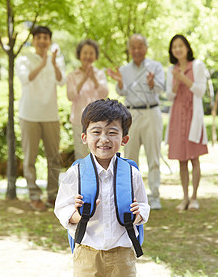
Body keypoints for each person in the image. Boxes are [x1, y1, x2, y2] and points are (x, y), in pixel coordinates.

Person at [54, 99, 150, 277]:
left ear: (124, 139)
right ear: (85, 137)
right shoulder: (76, 173)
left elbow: (144, 205)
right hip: (87, 253)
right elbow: (61, 208)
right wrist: (76, 214)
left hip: (123, 254)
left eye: (112, 132)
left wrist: (138, 214)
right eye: (96, 132)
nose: (104, 139)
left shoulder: (131, 173)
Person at [107, 34, 164, 210]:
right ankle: (131, 197)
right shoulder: (124, 69)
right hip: (131, 114)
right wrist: (120, 82)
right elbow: (121, 92)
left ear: (146, 48)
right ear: (129, 49)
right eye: (133, 47)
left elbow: (162, 89)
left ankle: (154, 196)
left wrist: (152, 83)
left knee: (153, 156)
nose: (137, 50)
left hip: (151, 112)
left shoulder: (155, 66)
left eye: (140, 46)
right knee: (130, 157)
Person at [16, 26, 65, 211]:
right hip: (28, 114)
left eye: (46, 37)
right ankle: (34, 196)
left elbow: (61, 81)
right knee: (30, 158)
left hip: (51, 114)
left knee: (53, 157)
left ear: (50, 41)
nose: (42, 40)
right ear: (33, 40)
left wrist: (52, 62)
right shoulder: (24, 58)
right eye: (39, 37)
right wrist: (43, 62)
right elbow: (25, 79)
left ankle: (53, 196)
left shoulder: (57, 58)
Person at [166, 34, 209, 211]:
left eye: (180, 46)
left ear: (187, 47)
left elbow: (200, 91)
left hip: (193, 115)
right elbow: (170, 95)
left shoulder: (197, 66)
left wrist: (184, 79)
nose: (177, 49)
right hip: (177, 115)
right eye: (174, 47)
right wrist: (176, 81)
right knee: (181, 159)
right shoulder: (171, 69)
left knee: (194, 157)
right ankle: (184, 197)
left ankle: (194, 197)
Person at [67, 39, 109, 160]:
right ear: (79, 55)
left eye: (91, 53)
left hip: (99, 120)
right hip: (79, 120)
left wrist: (93, 78)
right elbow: (71, 96)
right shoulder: (72, 75)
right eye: (85, 53)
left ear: (95, 56)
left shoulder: (100, 74)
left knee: (99, 154)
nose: (88, 56)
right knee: (81, 155)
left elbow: (104, 94)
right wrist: (84, 78)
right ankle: (83, 179)